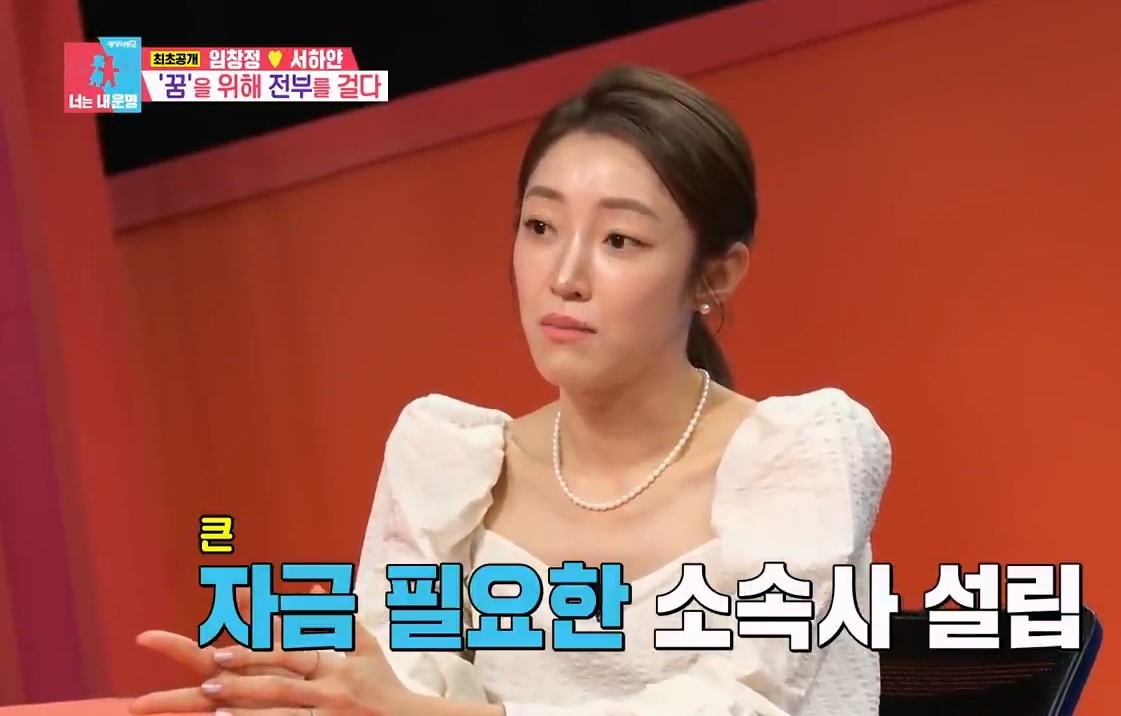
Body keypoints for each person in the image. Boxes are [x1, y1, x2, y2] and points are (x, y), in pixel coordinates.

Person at [129, 64, 891, 716]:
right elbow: (398, 692)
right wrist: (306, 698)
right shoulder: (448, 464)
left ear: (715, 275)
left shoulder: (801, 457)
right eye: (540, 227)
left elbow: (746, 701)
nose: (565, 276)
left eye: (620, 240)